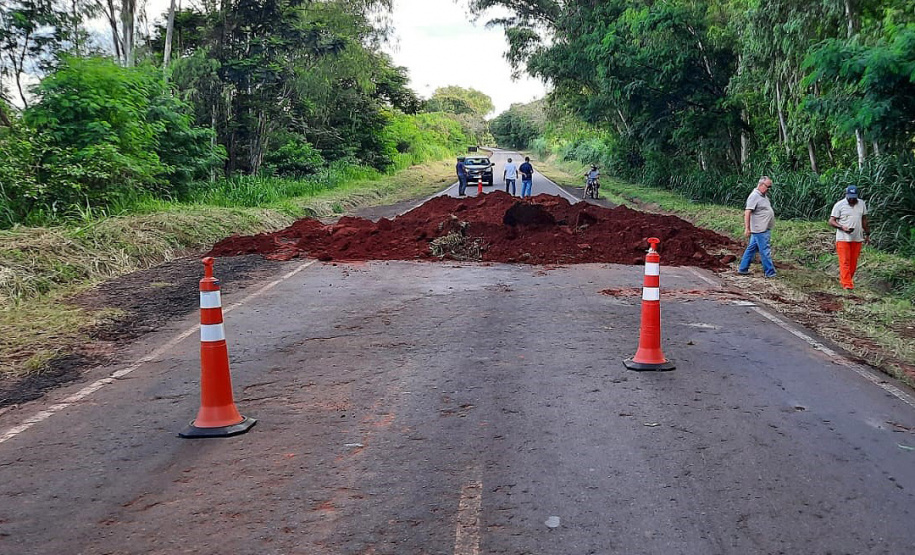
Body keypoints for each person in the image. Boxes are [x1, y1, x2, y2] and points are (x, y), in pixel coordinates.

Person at [828, 185, 869, 290]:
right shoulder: (839, 205)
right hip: (843, 238)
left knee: (853, 263)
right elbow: (831, 221)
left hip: (857, 238)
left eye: (854, 197)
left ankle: (847, 280)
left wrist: (867, 233)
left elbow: (864, 219)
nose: (852, 199)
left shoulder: (861, 204)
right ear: (846, 195)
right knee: (844, 261)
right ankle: (847, 284)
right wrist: (842, 227)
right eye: (850, 197)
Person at [737, 176, 776, 278]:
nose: (769, 189)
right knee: (765, 250)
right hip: (760, 229)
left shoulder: (763, 196)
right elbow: (747, 212)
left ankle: (743, 268)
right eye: (768, 187)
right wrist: (747, 228)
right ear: (761, 185)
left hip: (762, 228)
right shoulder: (754, 196)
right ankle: (770, 272)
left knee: (751, 249)